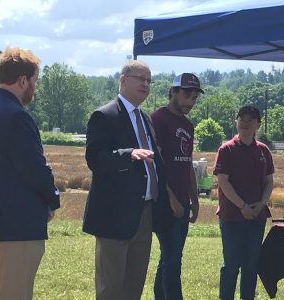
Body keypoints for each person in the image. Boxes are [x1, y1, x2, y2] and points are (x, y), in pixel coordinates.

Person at [0, 47, 60, 300]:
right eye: (35, 81)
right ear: (23, 80)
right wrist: (53, 199)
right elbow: (34, 168)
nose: (35, 86)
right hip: (14, 229)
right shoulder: (16, 117)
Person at [82, 60, 171, 300]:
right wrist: (127, 154)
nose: (146, 84)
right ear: (123, 80)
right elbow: (95, 159)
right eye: (140, 79)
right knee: (111, 287)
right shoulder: (104, 115)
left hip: (144, 214)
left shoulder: (145, 118)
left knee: (134, 286)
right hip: (114, 215)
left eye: (149, 80)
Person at [151, 73, 203, 300]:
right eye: (186, 94)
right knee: (173, 260)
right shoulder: (158, 119)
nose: (190, 101)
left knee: (169, 258)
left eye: (194, 97)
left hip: (182, 200)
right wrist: (170, 198)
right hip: (165, 200)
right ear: (172, 92)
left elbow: (187, 164)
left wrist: (195, 198)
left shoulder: (187, 125)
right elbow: (155, 163)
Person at [214, 105, 274, 300]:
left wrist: (262, 203)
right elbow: (223, 181)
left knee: (251, 265)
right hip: (232, 217)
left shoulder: (264, 150)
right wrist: (243, 207)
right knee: (231, 265)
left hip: (257, 218)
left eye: (250, 119)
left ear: (258, 124)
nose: (245, 123)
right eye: (242, 119)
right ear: (236, 121)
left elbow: (268, 181)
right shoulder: (227, 149)